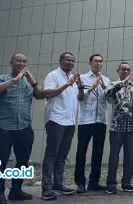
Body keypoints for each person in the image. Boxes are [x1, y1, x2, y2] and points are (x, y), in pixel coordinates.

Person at [0, 53, 45, 204]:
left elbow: (40, 95)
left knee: (22, 161)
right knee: (1, 162)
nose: (22, 63)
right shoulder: (3, 79)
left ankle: (16, 190)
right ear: (11, 63)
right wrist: (14, 80)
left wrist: (33, 82)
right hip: (3, 127)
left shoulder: (28, 82)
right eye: (18, 61)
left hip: (24, 126)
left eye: (24, 61)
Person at [40, 52, 80, 200]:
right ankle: (46, 188)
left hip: (69, 121)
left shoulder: (72, 78)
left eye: (72, 60)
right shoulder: (53, 75)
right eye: (68, 60)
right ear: (61, 61)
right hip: (55, 119)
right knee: (51, 154)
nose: (70, 63)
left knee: (62, 155)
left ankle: (58, 183)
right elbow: (48, 93)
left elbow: (78, 98)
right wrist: (67, 85)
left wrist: (78, 86)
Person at [105, 62, 133, 194]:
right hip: (116, 126)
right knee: (114, 156)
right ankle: (111, 184)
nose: (126, 72)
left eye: (128, 70)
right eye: (123, 69)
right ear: (118, 71)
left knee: (129, 156)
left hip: (131, 125)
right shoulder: (112, 84)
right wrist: (122, 83)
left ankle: (126, 183)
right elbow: (108, 93)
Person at [75, 54, 111, 193]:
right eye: (96, 61)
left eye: (101, 61)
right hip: (86, 120)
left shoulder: (106, 79)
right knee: (81, 152)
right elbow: (79, 98)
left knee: (98, 152)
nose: (98, 63)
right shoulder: (82, 78)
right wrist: (91, 87)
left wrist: (104, 87)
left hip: (101, 120)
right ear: (90, 63)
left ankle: (94, 182)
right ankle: (80, 183)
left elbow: (110, 101)